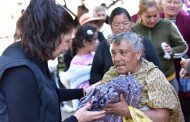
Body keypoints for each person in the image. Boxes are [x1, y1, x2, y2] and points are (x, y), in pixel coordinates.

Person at [0, 0, 105, 122]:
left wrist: (84, 91)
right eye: (66, 41)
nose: (66, 48)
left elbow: (48, 94)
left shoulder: (32, 55)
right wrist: (76, 119)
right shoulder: (20, 73)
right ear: (51, 37)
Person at [101, 32, 184, 122]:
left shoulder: (152, 76)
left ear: (138, 53)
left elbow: (163, 118)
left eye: (122, 53)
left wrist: (127, 111)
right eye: (113, 53)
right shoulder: (111, 75)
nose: (116, 59)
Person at [90, 7, 162, 85]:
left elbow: (157, 68)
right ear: (111, 27)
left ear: (131, 24)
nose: (121, 27)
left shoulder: (144, 43)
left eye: (125, 23)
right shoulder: (103, 46)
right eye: (117, 24)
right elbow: (95, 73)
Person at [132, 0, 188, 93]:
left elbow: (183, 46)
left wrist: (172, 51)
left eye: (155, 15)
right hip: (144, 83)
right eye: (148, 17)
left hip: (168, 80)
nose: (153, 20)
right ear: (140, 14)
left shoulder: (167, 25)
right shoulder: (134, 30)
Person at [160, 0, 190, 120]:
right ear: (162, 3)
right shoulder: (155, 20)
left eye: (176, 2)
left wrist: (176, 49)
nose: (172, 5)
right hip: (162, 73)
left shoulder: (187, 21)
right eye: (168, 1)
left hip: (184, 71)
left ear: (182, 4)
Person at [59, 24, 99, 111]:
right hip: (88, 106)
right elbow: (82, 89)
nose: (98, 42)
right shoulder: (77, 63)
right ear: (85, 42)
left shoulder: (95, 55)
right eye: (95, 39)